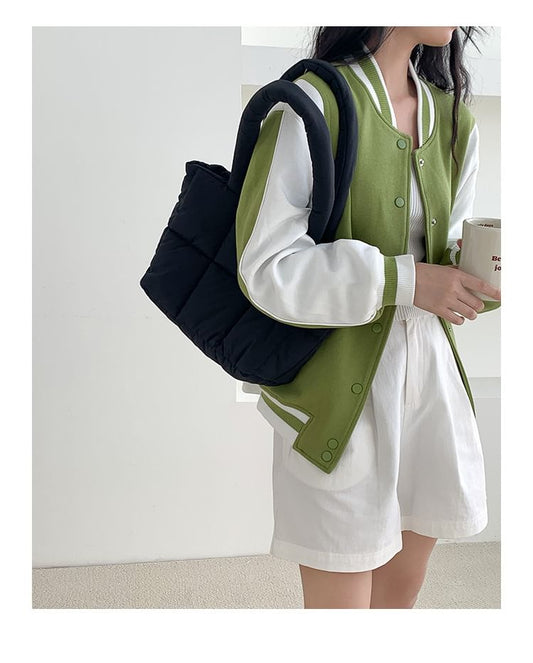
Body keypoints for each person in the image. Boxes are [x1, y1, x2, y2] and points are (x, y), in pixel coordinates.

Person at [235, 26, 501, 609]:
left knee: (399, 595)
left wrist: (476, 276)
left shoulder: (454, 120)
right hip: (338, 394)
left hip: (429, 383)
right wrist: (407, 281)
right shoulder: (311, 105)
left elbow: (443, 252)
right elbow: (267, 268)